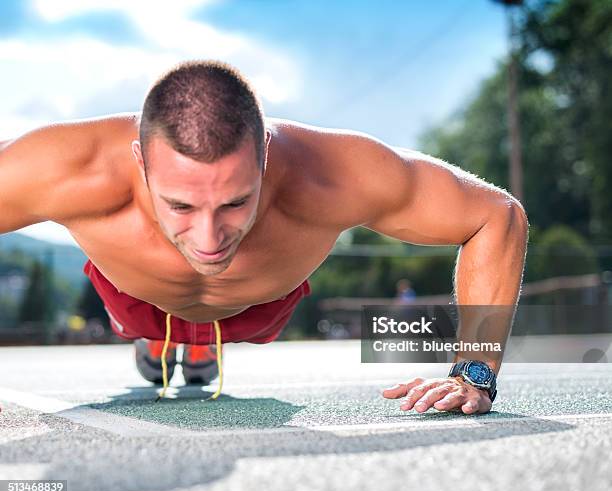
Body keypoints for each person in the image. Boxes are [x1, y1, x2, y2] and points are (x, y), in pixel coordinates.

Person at [0, 60, 528, 413]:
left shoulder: (331, 173)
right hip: (135, 292)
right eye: (180, 205)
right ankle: (164, 335)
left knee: (213, 306)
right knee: (158, 315)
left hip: (258, 305)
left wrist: (474, 371)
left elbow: (497, 216)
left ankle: (195, 339)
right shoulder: (67, 169)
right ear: (140, 162)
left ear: (265, 159)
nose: (209, 240)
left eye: (235, 202)